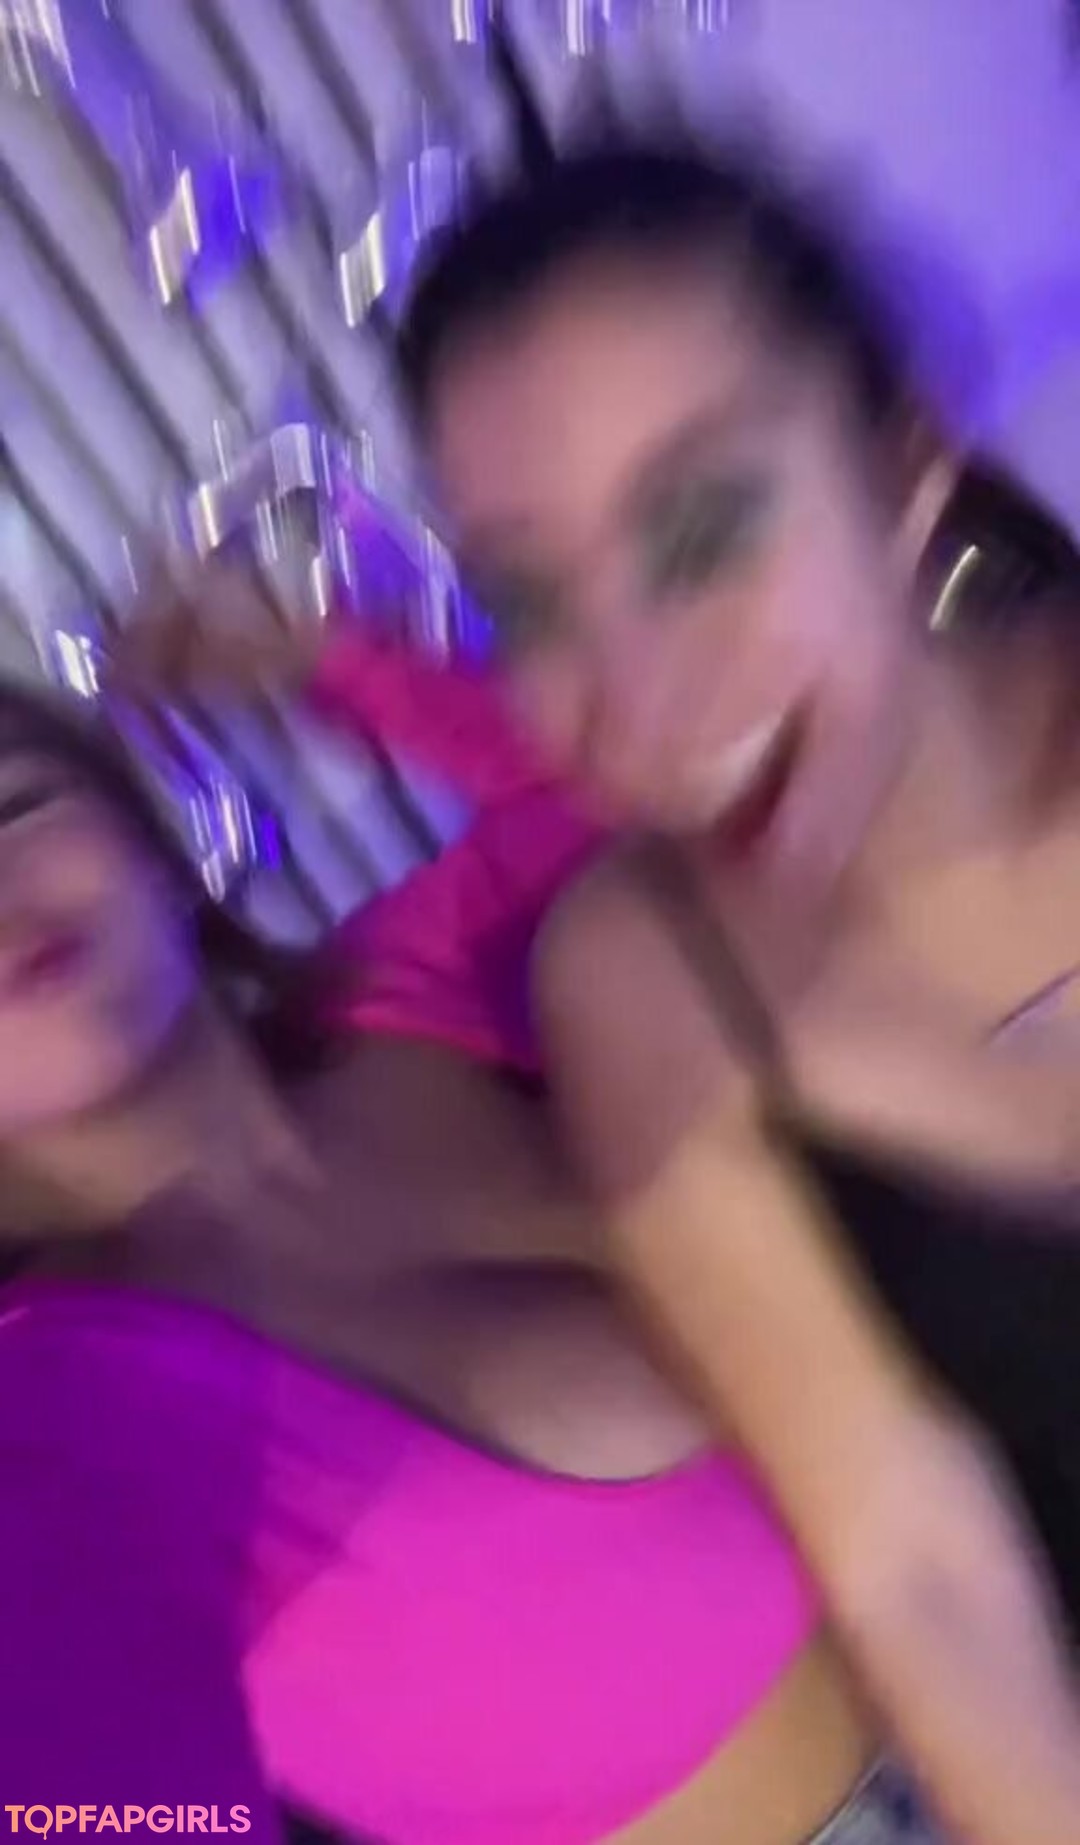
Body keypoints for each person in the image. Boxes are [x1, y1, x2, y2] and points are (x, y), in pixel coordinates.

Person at [0, 682, 930, 1842]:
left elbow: (682, 788)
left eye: (17, 808)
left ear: (143, 831)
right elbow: (81, 1800)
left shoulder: (414, 983)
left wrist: (332, 664)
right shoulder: (53, 1413)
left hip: (1010, 1703)